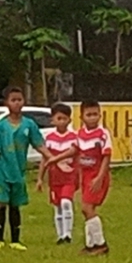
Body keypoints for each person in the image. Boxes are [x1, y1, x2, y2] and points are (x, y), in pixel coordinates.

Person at [0, 86, 53, 251]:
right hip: (1, 171)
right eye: (13, 100)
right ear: (6, 103)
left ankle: (15, 240)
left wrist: (54, 159)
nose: (17, 103)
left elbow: (40, 145)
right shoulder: (1, 126)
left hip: (18, 171)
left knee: (15, 205)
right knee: (0, 203)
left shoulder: (29, 125)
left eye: (20, 99)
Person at [36, 102, 78, 244]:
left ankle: (68, 234)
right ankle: (60, 235)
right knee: (57, 206)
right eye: (58, 118)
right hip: (55, 178)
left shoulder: (74, 137)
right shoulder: (49, 138)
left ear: (69, 120)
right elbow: (44, 158)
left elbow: (75, 154)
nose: (61, 122)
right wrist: (40, 178)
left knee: (66, 202)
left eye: (64, 118)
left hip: (69, 176)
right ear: (52, 120)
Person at [77, 100, 112, 255]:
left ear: (100, 115)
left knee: (87, 208)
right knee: (86, 210)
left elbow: (106, 156)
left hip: (97, 175)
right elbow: (76, 152)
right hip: (85, 175)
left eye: (95, 114)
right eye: (88, 115)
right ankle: (90, 244)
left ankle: (101, 244)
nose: (92, 118)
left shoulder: (102, 134)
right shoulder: (80, 133)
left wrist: (99, 177)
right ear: (82, 116)